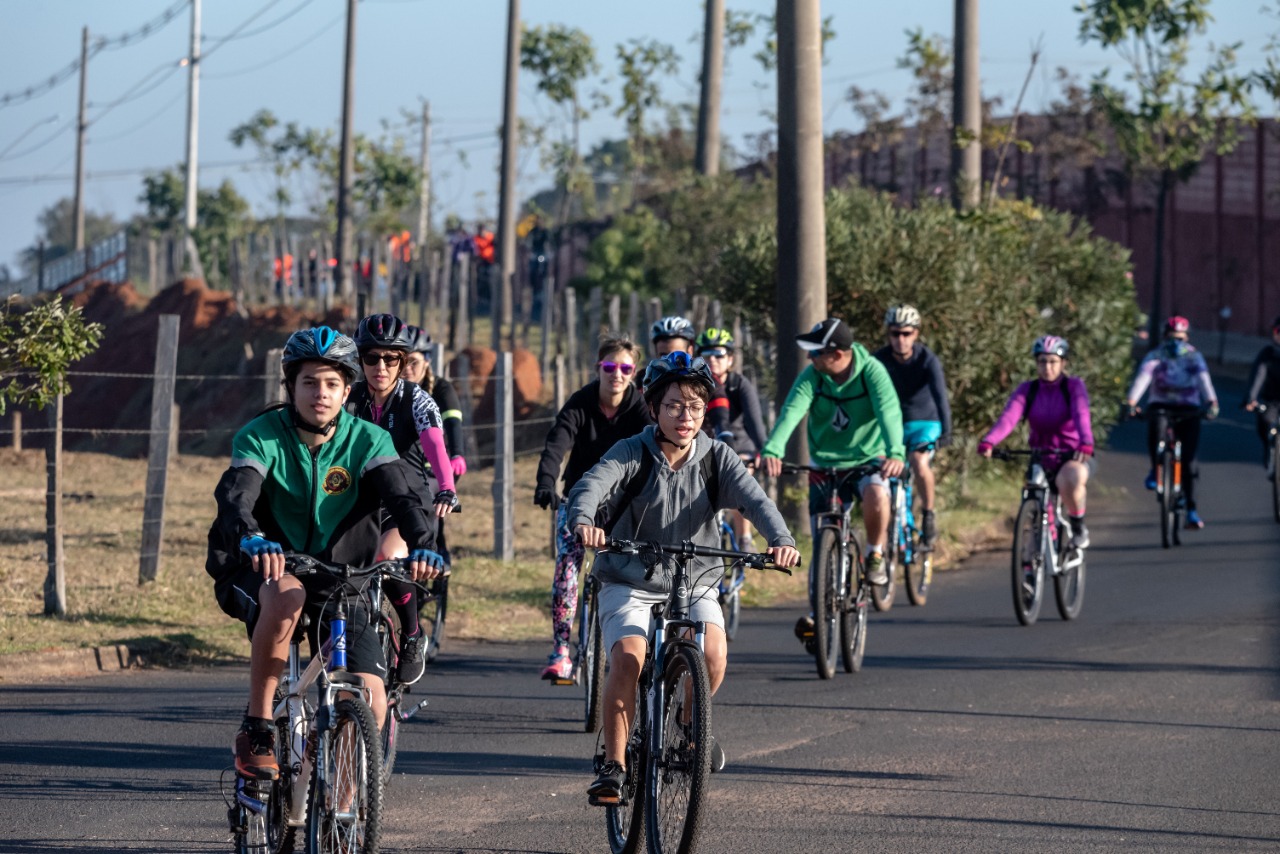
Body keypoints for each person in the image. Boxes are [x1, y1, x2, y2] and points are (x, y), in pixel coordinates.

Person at [207, 327, 442, 781]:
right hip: (265, 566)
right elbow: (237, 497)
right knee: (287, 595)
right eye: (310, 382)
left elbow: (403, 499)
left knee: (371, 701)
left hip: (343, 576)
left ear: (347, 390)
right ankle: (257, 727)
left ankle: (342, 819)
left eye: (332, 384)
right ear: (290, 386)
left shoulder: (368, 440)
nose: (321, 393)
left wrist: (425, 545)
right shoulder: (261, 436)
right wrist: (252, 536)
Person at [568, 351, 800, 803]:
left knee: (712, 653)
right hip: (628, 578)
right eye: (673, 405)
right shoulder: (632, 450)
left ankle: (691, 724)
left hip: (694, 579)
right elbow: (592, 483)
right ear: (653, 408)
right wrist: (584, 519)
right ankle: (613, 765)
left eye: (695, 406)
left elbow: (755, 501)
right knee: (629, 658)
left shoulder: (718, 458)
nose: (685, 416)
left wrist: (781, 539)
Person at [345, 314, 458, 685]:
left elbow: (436, 446)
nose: (380, 367)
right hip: (359, 502)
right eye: (371, 358)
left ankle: (411, 635)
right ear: (360, 360)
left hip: (406, 500)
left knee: (385, 558)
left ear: (403, 361)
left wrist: (446, 486)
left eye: (391, 359)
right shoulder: (349, 397)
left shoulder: (418, 399)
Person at [534, 337, 652, 681]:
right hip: (578, 500)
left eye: (626, 368)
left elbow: (653, 450)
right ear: (598, 368)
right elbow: (557, 443)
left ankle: (641, 641)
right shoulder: (581, 403)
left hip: (623, 503)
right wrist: (545, 483)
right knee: (567, 569)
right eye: (610, 367)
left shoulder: (639, 408)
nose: (617, 374)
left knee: (640, 568)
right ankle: (561, 650)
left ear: (633, 374)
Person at [762, 318, 905, 592]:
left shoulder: (872, 372)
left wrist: (895, 454)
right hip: (825, 459)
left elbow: (889, 413)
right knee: (823, 527)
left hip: (868, 456)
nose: (809, 356)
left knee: (877, 495)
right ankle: (821, 606)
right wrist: (773, 450)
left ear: (837, 354)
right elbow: (792, 411)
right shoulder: (813, 376)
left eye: (815, 352)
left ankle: (875, 554)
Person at [978, 335, 1095, 549]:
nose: (1047, 367)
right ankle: (1038, 547)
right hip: (1040, 455)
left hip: (1070, 455)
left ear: (1063, 363)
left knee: (1070, 478)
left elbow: (1081, 414)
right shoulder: (1028, 390)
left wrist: (1086, 441)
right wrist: (989, 441)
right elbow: (1009, 418)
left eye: (1053, 362)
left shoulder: (1073, 387)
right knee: (1033, 488)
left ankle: (1078, 525)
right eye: (1042, 361)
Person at [1125, 316, 1219, 529]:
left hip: (1189, 408)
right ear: (1165, 336)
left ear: (1186, 337)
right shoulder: (1155, 356)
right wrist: (1131, 402)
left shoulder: (1194, 357)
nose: (1175, 341)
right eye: (1171, 337)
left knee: (1189, 460)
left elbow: (1204, 380)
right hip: (1161, 405)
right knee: (1156, 426)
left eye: (1180, 337)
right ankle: (1155, 468)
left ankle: (1192, 510)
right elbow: (1143, 378)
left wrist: (1212, 402)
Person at [873, 304, 952, 550]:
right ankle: (892, 530)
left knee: (918, 462)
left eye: (906, 334)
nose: (900, 340)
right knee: (880, 468)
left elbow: (941, 397)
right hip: (892, 424)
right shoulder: (878, 360)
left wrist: (947, 431)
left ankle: (928, 514)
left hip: (925, 422)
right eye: (895, 334)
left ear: (916, 334)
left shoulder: (927, 359)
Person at [696, 326, 769, 547]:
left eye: (719, 355)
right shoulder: (694, 383)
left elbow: (755, 422)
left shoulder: (740, 385)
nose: (713, 360)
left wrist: (762, 450)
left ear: (730, 359)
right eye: (706, 355)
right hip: (706, 445)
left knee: (740, 479)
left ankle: (744, 535)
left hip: (740, 446)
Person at [1242, 315, 1280, 474]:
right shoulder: (1268, 353)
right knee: (1264, 420)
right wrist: (1251, 399)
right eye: (1277, 331)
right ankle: (1269, 449)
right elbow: (1257, 375)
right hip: (1271, 399)